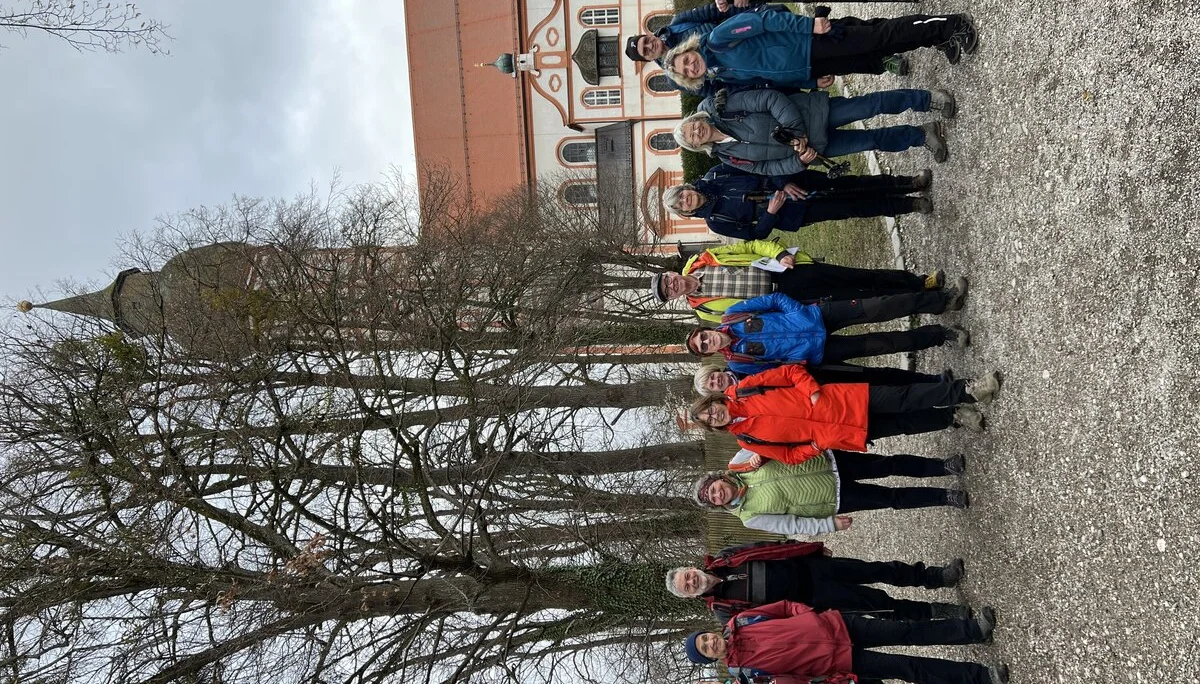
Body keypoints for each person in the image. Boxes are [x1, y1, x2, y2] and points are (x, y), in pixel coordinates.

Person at [687, 363, 1002, 458]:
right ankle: (952, 416)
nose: (715, 416)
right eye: (710, 421)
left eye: (711, 410)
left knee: (903, 397)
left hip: (840, 401)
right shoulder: (747, 441)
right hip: (839, 432)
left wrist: (811, 391)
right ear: (714, 426)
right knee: (905, 423)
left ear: (715, 401)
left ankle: (968, 390)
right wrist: (815, 445)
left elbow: (789, 373)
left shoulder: (745, 389)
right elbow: (787, 456)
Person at [682, 600, 1009, 684]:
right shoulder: (747, 673)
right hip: (841, 663)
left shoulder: (741, 621)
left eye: (706, 638)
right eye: (706, 649)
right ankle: (980, 676)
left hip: (839, 626)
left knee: (906, 630)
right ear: (711, 658)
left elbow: (783, 607)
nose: (711, 643)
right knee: (908, 668)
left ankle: (972, 629)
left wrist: (808, 614)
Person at [662, 10, 978, 93]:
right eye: (687, 72)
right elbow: (768, 78)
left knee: (879, 36)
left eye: (687, 61)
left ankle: (950, 25)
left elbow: (763, 21)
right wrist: (810, 82)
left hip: (811, 42)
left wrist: (808, 26)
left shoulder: (718, 39)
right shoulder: (723, 73)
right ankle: (934, 38)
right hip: (811, 65)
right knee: (876, 51)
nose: (691, 67)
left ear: (688, 50)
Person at [648, 238, 944, 324]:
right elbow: (746, 319)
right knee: (856, 298)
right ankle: (920, 302)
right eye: (669, 291)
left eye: (669, 280)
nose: (673, 285)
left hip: (786, 272)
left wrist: (778, 253)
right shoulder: (705, 311)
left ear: (672, 273)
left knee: (857, 276)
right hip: (788, 302)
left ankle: (917, 283)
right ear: (673, 298)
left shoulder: (706, 257)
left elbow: (751, 247)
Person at [666, 539, 971, 623]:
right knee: (879, 606)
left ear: (691, 568)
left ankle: (934, 576)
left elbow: (768, 548)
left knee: (879, 569)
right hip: (815, 600)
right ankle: (936, 611)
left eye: (688, 576)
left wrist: (806, 549)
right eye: (689, 586)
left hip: (812, 568)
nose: (693, 581)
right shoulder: (723, 610)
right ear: (692, 596)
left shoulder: (725, 556)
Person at [674, 88, 954, 176]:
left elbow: (769, 99)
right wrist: (800, 161)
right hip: (815, 149)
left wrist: (796, 131)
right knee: (872, 140)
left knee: (872, 106)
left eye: (692, 126)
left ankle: (927, 100)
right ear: (696, 146)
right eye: (692, 137)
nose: (696, 131)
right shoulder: (727, 157)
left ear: (696, 118)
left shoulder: (724, 108)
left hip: (812, 114)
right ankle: (921, 135)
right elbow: (766, 169)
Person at [682, 291, 969, 377]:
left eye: (703, 336)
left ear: (706, 329)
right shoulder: (736, 363)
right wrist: (801, 361)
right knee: (884, 344)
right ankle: (940, 335)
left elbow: (774, 300)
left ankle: (942, 301)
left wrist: (798, 312)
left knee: (882, 305)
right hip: (820, 352)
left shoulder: (733, 314)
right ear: (708, 354)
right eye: (704, 346)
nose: (708, 341)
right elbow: (776, 371)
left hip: (819, 315)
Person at [691, 450, 970, 536]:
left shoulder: (739, 462)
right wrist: (827, 525)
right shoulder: (749, 517)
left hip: (828, 461)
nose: (718, 495)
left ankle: (942, 467)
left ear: (718, 479)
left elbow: (770, 442)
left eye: (714, 489)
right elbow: (791, 525)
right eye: (714, 499)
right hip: (833, 498)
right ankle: (945, 497)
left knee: (889, 464)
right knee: (890, 498)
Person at [662, 164, 935, 240]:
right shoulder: (716, 221)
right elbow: (754, 234)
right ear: (687, 211)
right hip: (791, 213)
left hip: (792, 183)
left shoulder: (717, 174)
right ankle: (910, 205)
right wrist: (771, 212)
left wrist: (784, 184)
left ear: (686, 187)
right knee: (853, 208)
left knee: (851, 184)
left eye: (683, 195)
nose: (688, 199)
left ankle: (909, 183)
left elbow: (758, 167)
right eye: (684, 204)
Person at [694, 364, 954, 392]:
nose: (717, 382)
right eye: (713, 386)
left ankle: (930, 380)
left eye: (713, 378)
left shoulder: (739, 362)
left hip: (815, 372)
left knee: (876, 375)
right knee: (879, 392)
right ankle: (935, 393)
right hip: (816, 395)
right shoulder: (740, 396)